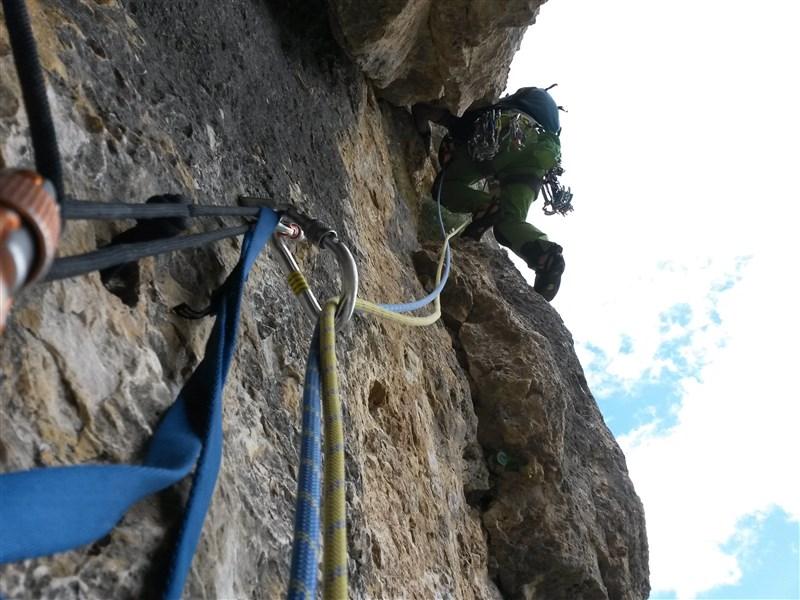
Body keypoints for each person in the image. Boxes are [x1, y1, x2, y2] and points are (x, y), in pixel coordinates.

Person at [413, 86, 569, 302]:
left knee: (444, 188)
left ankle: (483, 206)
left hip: (509, 131)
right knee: (508, 223)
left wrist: (425, 134)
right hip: (539, 161)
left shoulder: (482, 116)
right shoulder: (548, 120)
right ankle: (545, 254)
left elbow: (426, 111)